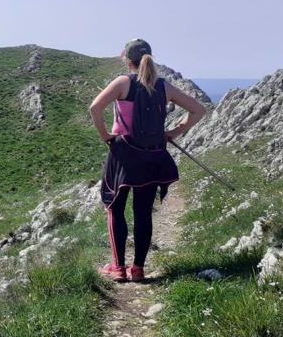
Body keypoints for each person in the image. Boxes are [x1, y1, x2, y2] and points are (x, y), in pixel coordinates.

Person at [88, 38, 206, 282]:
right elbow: (198, 110)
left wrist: (106, 137)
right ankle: (138, 269)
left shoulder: (123, 83)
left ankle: (118, 267)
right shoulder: (164, 87)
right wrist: (171, 133)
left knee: (115, 208)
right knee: (143, 213)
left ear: (126, 59)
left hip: (123, 153)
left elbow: (94, 108)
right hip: (152, 154)